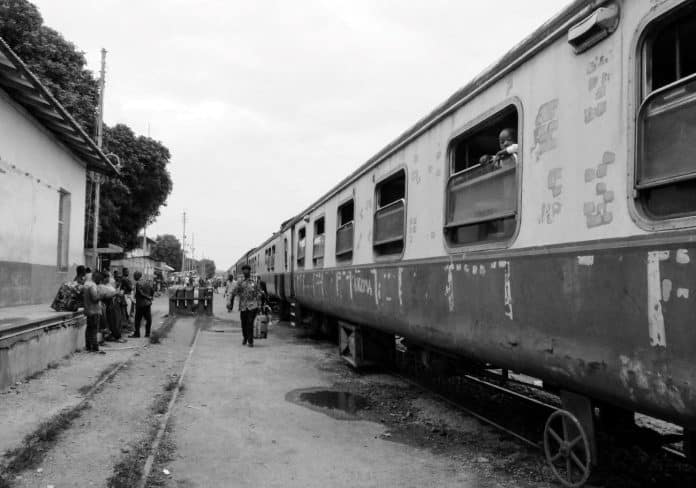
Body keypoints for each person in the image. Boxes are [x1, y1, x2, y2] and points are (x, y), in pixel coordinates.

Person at [230, 264, 264, 347]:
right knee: (243, 324)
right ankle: (245, 337)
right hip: (243, 307)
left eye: (247, 270)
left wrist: (260, 306)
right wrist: (231, 303)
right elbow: (234, 293)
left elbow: (259, 294)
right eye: (244, 270)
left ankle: (250, 341)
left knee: (250, 323)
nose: (245, 271)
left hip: (253, 306)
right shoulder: (240, 283)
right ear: (243, 272)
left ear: (249, 271)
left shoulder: (254, 283)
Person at [83, 271, 116, 353]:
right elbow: (95, 298)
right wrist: (103, 295)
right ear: (97, 278)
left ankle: (88, 346)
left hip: (88, 310)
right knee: (94, 330)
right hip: (94, 310)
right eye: (99, 279)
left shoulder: (86, 284)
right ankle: (95, 348)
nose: (100, 281)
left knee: (89, 329)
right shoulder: (93, 286)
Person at [131, 271, 154, 338]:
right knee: (148, 319)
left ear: (137, 276)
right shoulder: (147, 282)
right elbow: (152, 290)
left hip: (140, 304)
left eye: (134, 276)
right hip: (147, 304)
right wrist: (150, 297)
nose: (134, 277)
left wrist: (147, 297)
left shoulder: (138, 283)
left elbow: (141, 293)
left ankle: (137, 334)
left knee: (137, 320)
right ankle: (147, 334)